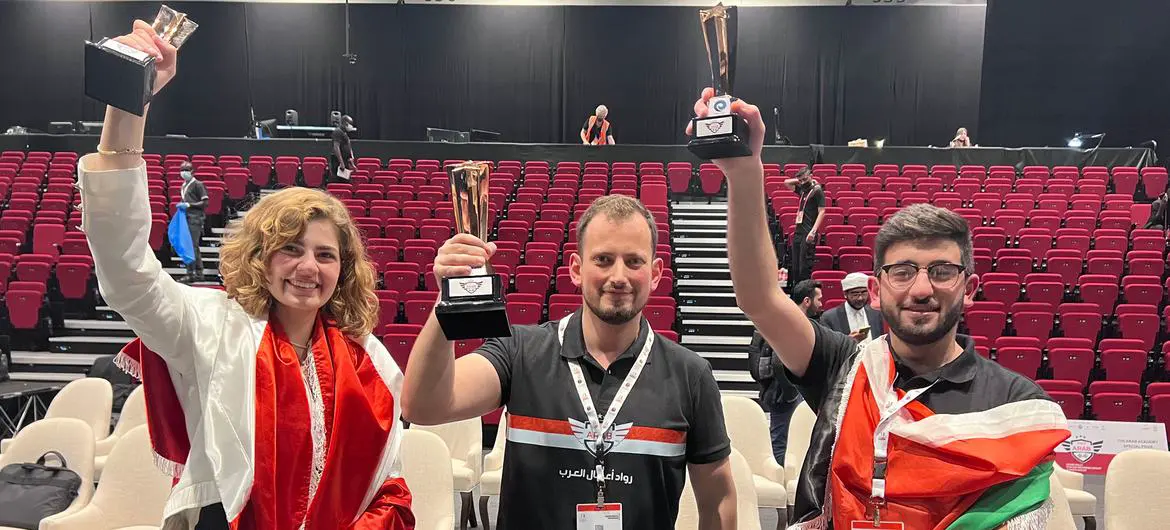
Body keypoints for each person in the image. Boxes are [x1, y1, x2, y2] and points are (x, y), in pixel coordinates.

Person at [80, 21, 412, 529]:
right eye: (290, 249)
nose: (308, 267)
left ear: (343, 270)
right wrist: (128, 103)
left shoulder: (368, 356)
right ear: (260, 257)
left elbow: (388, 485)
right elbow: (126, 270)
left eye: (325, 255)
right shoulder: (211, 326)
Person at [689, 87, 1070, 529]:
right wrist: (744, 171)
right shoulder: (844, 369)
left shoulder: (1015, 407)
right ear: (875, 289)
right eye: (903, 272)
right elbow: (760, 298)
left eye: (942, 271)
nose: (922, 289)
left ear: (969, 288)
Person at [402, 195, 736, 530]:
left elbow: (718, 499)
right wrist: (448, 297)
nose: (618, 276)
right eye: (603, 259)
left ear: (655, 273)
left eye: (634, 261)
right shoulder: (520, 351)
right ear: (576, 269)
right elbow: (423, 406)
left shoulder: (690, 375)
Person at [747, 279, 818, 465]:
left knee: (789, 436)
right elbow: (779, 362)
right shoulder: (787, 323)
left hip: (788, 390)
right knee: (781, 438)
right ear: (807, 301)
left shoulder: (790, 322)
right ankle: (780, 475)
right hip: (783, 391)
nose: (821, 304)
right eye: (818, 299)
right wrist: (790, 392)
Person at [785, 168, 823, 288]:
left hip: (809, 231)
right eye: (800, 180)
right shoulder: (803, 189)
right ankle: (796, 290)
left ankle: (804, 290)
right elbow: (787, 182)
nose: (802, 182)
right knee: (795, 265)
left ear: (811, 176)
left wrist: (813, 231)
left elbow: (822, 212)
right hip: (799, 231)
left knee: (804, 266)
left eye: (805, 179)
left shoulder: (817, 190)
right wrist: (801, 180)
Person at [819, 272, 883, 342]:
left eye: (864, 293)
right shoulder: (829, 318)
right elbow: (828, 344)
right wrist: (848, 342)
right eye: (855, 294)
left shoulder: (876, 313)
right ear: (845, 294)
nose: (860, 298)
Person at [178, 162, 208, 282]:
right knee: (192, 246)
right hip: (186, 218)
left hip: (195, 218)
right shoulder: (184, 185)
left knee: (191, 246)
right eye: (182, 170)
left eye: (186, 170)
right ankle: (198, 273)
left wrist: (189, 205)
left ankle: (191, 273)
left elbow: (205, 202)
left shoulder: (198, 184)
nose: (184, 172)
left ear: (192, 171)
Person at [331, 115, 356, 182]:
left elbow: (348, 147)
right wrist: (341, 162)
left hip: (345, 160)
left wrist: (351, 161)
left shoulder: (344, 133)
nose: (352, 126)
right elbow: (336, 147)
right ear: (346, 123)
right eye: (351, 124)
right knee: (339, 182)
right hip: (338, 162)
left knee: (346, 182)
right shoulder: (338, 132)